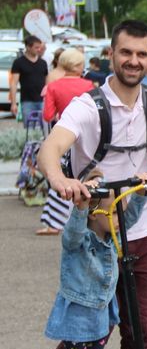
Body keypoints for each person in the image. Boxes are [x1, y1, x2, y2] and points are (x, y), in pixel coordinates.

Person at [29, 19, 147, 349]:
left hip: (140, 232)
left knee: (138, 328)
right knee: (94, 326)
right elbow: (51, 149)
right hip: (96, 237)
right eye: (125, 52)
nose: (133, 61)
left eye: (142, 54)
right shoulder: (87, 106)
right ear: (111, 54)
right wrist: (60, 178)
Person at [43, 169, 147, 349]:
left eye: (117, 212)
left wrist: (141, 194)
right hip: (79, 311)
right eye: (112, 213)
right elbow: (71, 236)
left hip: (101, 311)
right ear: (93, 213)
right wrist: (79, 208)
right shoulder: (80, 239)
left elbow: (131, 218)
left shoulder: (110, 238)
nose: (117, 219)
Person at [36, 49, 94, 236]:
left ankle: (55, 222)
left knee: (61, 179)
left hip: (63, 136)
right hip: (86, 137)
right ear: (79, 66)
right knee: (88, 177)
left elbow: (47, 115)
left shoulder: (53, 86)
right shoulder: (89, 86)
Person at [9, 35, 48, 126]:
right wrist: (13, 103)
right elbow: (14, 83)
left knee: (45, 129)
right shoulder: (18, 62)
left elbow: (47, 83)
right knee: (29, 129)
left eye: (40, 47)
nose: (39, 50)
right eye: (36, 47)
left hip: (43, 101)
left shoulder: (43, 63)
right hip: (27, 101)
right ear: (28, 47)